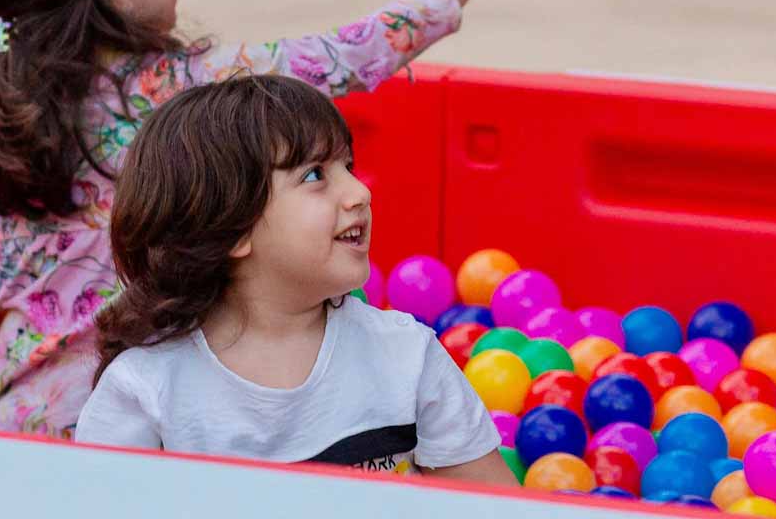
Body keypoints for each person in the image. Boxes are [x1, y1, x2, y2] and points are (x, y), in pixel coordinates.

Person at [0, 0, 497, 438]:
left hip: (8, 423)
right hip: (126, 423)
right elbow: (341, 57)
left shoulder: (0, 106)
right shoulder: (184, 92)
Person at [75, 76, 514, 484]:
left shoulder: (405, 356)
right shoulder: (147, 390)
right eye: (314, 175)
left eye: (348, 165)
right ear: (234, 229)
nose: (360, 192)